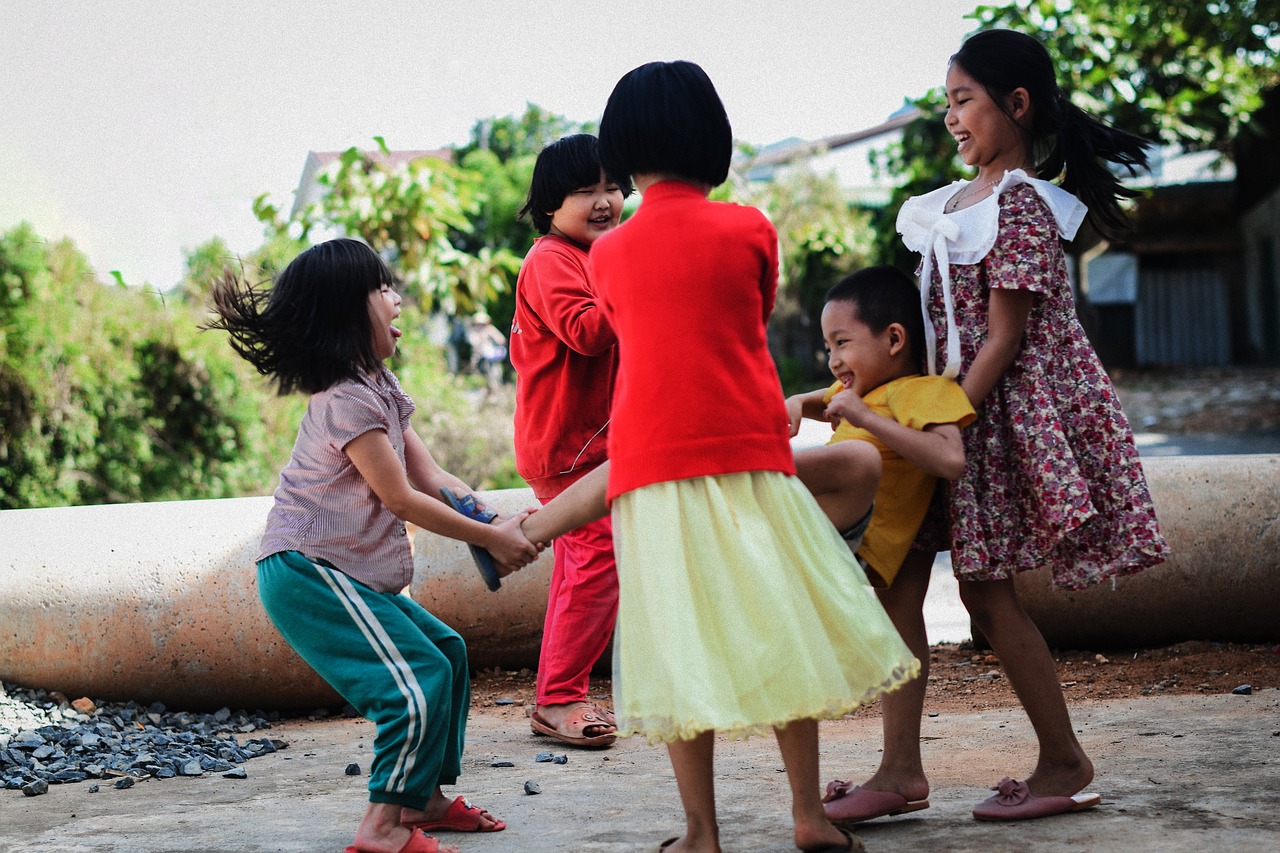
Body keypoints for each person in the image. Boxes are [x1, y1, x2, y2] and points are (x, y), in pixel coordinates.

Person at [515, 61, 918, 853]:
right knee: (784, 627)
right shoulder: (750, 227)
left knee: (675, 646)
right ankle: (808, 814)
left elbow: (631, 331)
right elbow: (750, 312)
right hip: (753, 458)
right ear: (714, 138)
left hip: (657, 473)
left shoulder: (607, 258)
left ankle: (701, 831)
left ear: (627, 150)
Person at [821, 28, 1169, 826]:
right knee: (902, 580)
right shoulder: (945, 207)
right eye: (947, 102)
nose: (952, 117)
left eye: (964, 100)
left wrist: (949, 425)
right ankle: (900, 768)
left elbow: (1005, 337)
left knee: (985, 591)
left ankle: (1065, 759)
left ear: (1015, 104)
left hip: (991, 418)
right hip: (938, 414)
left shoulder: (1023, 205)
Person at [204, 238, 539, 853]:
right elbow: (403, 499)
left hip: (338, 568)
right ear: (346, 311)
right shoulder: (345, 401)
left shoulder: (378, 385)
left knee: (447, 653)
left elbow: (434, 478)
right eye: (383, 288)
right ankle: (381, 826)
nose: (397, 298)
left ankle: (423, 801)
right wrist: (493, 538)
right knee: (411, 684)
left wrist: (494, 518)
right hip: (306, 569)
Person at [509, 134, 631, 748]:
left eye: (612, 186)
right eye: (585, 190)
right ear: (551, 206)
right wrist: (644, 285)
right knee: (597, 557)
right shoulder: (553, 259)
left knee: (583, 562)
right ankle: (559, 698)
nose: (604, 200)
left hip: (596, 443)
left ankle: (559, 689)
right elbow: (586, 332)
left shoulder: (602, 256)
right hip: (569, 448)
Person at [786, 266, 975, 593]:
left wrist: (867, 419)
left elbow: (951, 458)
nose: (833, 360)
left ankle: (755, 474)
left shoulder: (921, 390)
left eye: (842, 342)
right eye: (829, 348)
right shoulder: (863, 390)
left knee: (858, 457)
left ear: (893, 339)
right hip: (829, 524)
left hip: (858, 538)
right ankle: (757, 480)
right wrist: (798, 402)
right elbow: (824, 399)